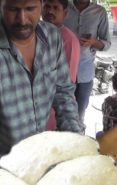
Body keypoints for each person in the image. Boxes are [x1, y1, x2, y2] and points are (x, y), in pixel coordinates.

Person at [0, 0, 83, 166]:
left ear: (41, 4)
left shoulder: (53, 38)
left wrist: (79, 144)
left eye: (30, 9)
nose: (22, 19)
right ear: (0, 5)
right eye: (13, 9)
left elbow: (63, 95)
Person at [63, 0, 111, 124]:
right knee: (61, 115)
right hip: (62, 75)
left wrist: (94, 42)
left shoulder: (99, 12)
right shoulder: (63, 7)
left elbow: (106, 44)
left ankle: (78, 139)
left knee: (80, 116)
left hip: (85, 75)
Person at [42, 0, 80, 130]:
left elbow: (65, 85)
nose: (50, 11)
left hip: (51, 110)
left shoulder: (68, 39)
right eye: (47, 6)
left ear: (65, 13)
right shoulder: (35, 32)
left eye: (55, 8)